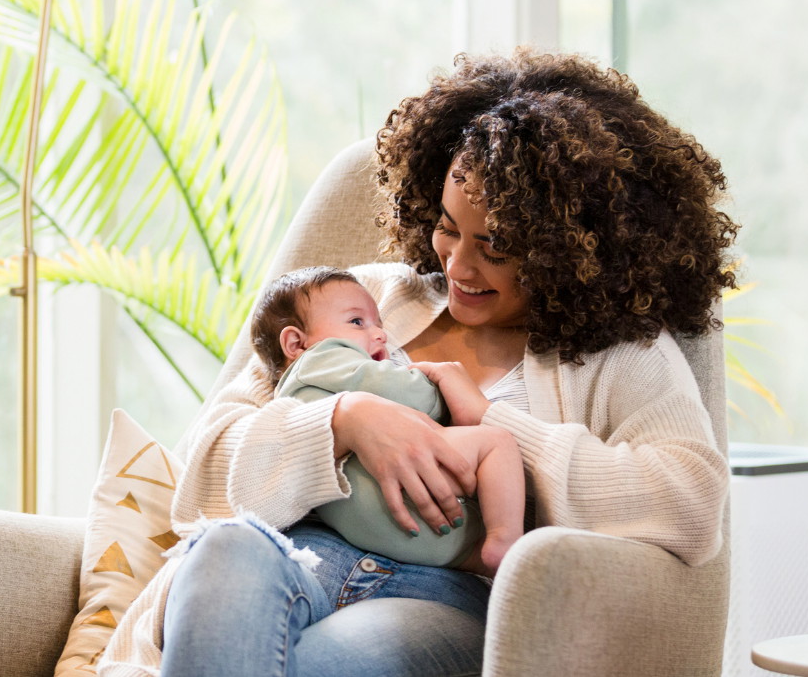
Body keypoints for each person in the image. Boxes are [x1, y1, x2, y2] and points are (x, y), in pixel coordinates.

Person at [98, 48, 736, 677]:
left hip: (440, 596)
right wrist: (345, 421)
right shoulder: (359, 297)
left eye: (495, 246)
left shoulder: (616, 354)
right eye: (449, 227)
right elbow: (205, 470)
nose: (458, 265)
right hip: (298, 558)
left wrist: (494, 424)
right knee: (226, 550)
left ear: (569, 249)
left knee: (313, 666)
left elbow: (691, 503)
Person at [251, 265, 525, 575]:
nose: (380, 333)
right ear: (296, 344)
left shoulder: (293, 395)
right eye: (357, 322)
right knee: (496, 442)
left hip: (370, 528)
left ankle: (483, 554)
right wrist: (438, 383)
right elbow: (406, 394)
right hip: (398, 504)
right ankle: (506, 539)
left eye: (378, 322)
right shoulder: (322, 358)